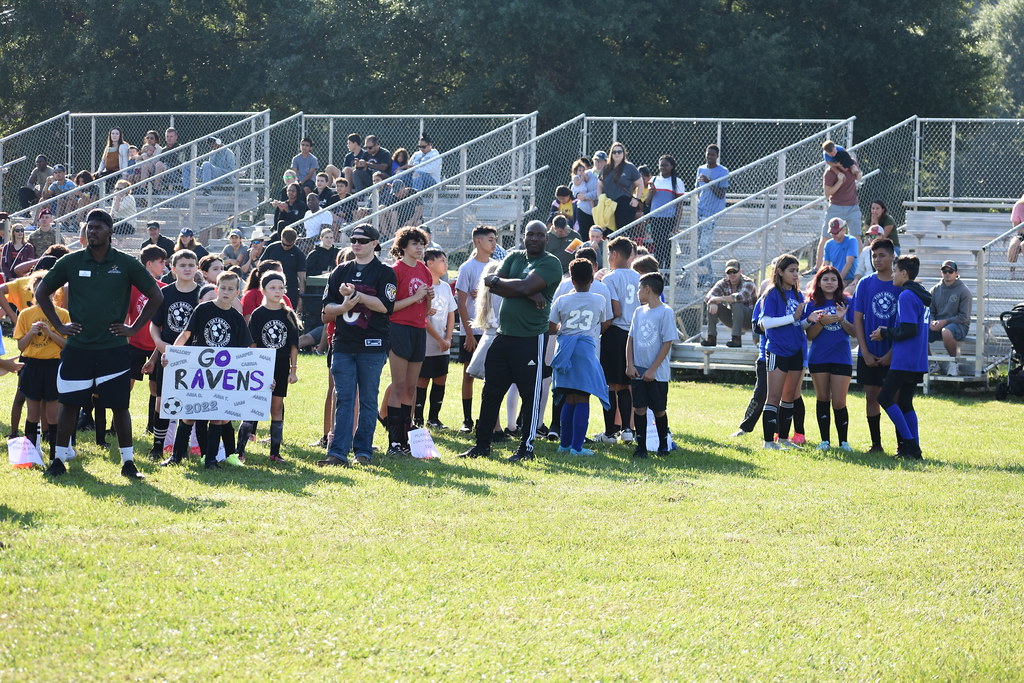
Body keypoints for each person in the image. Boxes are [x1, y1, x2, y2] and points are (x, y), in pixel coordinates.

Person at [36, 209, 164, 480]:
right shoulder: (71, 261)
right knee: (68, 404)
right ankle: (58, 459)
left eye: (97, 228)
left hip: (113, 348)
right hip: (78, 347)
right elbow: (42, 291)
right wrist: (59, 326)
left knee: (119, 406)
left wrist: (133, 328)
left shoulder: (125, 263)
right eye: (88, 228)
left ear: (110, 232)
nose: (91, 232)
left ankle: (128, 463)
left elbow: (155, 295)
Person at [458, 220, 562, 462]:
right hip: (503, 336)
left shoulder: (550, 263)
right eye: (530, 234)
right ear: (524, 236)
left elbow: (512, 284)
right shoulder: (515, 257)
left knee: (530, 395)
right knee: (490, 392)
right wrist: (526, 290)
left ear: (546, 238)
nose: (534, 238)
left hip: (531, 338)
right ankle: (482, 445)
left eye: (539, 235)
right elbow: (491, 283)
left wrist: (520, 286)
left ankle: (526, 448)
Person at [319, 224, 396, 467]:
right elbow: (325, 313)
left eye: (362, 240)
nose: (356, 243)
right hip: (343, 343)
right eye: (353, 239)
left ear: (375, 243)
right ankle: (337, 452)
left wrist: (358, 296)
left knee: (368, 399)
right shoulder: (340, 271)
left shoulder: (385, 272)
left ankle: (363, 451)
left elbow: (386, 306)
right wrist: (343, 307)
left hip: (372, 344)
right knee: (344, 397)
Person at [162, 271, 252, 469]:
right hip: (199, 371)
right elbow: (185, 335)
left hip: (223, 375)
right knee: (189, 414)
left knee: (219, 417)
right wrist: (173, 354)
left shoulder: (236, 318)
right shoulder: (203, 310)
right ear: (217, 289)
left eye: (231, 289)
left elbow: (248, 350)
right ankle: (176, 457)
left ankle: (210, 459)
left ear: (238, 292)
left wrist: (256, 372)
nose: (226, 292)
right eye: (223, 288)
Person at [869, 255, 931, 459]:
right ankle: (915, 450)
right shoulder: (921, 294)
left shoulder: (906, 295)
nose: (893, 274)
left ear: (904, 273)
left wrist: (885, 332)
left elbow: (909, 330)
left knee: (885, 397)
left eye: (895, 271)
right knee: (905, 402)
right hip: (918, 359)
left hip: (905, 358)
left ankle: (911, 445)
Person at [548, 258, 612, 456]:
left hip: (565, 348)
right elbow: (606, 321)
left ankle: (564, 444)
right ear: (592, 279)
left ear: (571, 280)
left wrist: (565, 331)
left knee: (569, 397)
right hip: (586, 348)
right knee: (583, 397)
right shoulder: (599, 299)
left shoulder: (562, 300)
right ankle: (577, 447)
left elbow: (551, 326)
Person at [236, 272, 299, 463]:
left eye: (281, 288)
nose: (277, 291)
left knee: (277, 406)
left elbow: (294, 345)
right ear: (263, 290)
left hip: (280, 364)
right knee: (252, 406)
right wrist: (257, 368)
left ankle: (275, 452)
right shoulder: (258, 314)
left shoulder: (288, 314)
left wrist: (293, 370)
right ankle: (240, 451)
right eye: (272, 287)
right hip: (261, 364)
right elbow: (253, 343)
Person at [149, 249, 200, 460]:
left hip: (196, 356)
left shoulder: (203, 294)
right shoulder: (165, 293)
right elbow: (154, 324)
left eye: (191, 265)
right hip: (168, 356)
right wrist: (159, 344)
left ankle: (186, 446)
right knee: (163, 402)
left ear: (197, 267)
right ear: (173, 268)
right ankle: (158, 447)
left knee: (191, 401)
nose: (187, 269)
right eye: (183, 265)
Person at [385, 227, 433, 454]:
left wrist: (428, 300)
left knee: (411, 389)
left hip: (418, 330)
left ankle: (407, 438)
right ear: (403, 247)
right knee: (399, 385)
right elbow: (389, 307)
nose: (420, 248)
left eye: (422, 244)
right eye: (415, 244)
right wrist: (415, 297)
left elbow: (425, 308)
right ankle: (394, 440)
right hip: (399, 329)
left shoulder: (424, 269)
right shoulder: (396, 271)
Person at [14, 271, 69, 461]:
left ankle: (55, 457)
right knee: (32, 415)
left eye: (48, 291)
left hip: (53, 366)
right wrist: (31, 332)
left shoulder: (62, 314)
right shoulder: (26, 314)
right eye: (39, 291)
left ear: (55, 293)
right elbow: (21, 346)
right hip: (33, 366)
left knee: (53, 416)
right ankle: (31, 456)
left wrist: (50, 332)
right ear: (33, 293)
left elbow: (66, 344)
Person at [758, 254, 811, 450]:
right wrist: (792, 316)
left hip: (796, 350)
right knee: (774, 396)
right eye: (791, 270)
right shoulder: (772, 293)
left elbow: (799, 323)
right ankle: (768, 441)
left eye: (797, 271)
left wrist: (811, 319)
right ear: (780, 272)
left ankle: (783, 439)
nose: (796, 274)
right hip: (778, 350)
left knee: (789, 397)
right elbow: (766, 323)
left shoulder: (798, 295)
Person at [853, 238, 900, 454]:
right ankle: (876, 444)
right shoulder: (865, 283)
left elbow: (905, 324)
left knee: (895, 398)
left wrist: (892, 352)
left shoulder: (901, 284)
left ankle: (903, 444)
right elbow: (857, 319)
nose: (877, 259)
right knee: (871, 396)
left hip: (894, 354)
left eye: (882, 255)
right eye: (874, 256)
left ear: (892, 256)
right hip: (869, 353)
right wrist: (864, 351)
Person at [803, 266, 855, 451]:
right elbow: (810, 336)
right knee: (822, 398)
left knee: (839, 401)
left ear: (839, 283)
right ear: (819, 282)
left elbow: (855, 332)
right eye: (825, 279)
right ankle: (824, 441)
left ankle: (844, 442)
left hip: (841, 357)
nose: (830, 282)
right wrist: (821, 323)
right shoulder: (811, 304)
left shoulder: (847, 302)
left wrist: (841, 320)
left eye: (833, 279)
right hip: (819, 358)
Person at [626, 272, 677, 458]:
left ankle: (663, 445)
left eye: (640, 288)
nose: (638, 292)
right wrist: (629, 364)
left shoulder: (666, 312)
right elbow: (630, 340)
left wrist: (653, 368)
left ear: (647, 289)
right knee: (639, 408)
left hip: (657, 374)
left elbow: (667, 343)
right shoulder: (639, 312)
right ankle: (641, 447)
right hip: (638, 370)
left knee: (659, 409)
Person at [596, 236, 641, 444]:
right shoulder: (639, 277)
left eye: (608, 254)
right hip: (634, 334)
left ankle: (610, 432)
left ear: (614, 254)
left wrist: (601, 330)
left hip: (615, 333)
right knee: (625, 384)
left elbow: (615, 310)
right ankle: (627, 430)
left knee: (610, 385)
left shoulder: (610, 278)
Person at [455, 226, 498, 432]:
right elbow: (461, 302)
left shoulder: (497, 266)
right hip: (473, 331)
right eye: (490, 239)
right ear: (478, 241)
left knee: (492, 377)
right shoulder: (467, 268)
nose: (494, 243)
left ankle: (488, 421)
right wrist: (469, 333)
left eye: (495, 239)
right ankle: (467, 420)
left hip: (492, 329)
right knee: (468, 375)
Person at [126, 245, 167, 442]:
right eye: (161, 262)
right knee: (127, 385)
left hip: (156, 346)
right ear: (149, 264)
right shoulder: (134, 287)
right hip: (134, 344)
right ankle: (116, 426)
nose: (164, 265)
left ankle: (152, 426)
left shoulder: (165, 289)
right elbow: (127, 314)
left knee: (156, 388)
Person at [416, 248, 456, 429]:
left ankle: (434, 418)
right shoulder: (423, 286)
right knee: (422, 380)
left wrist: (447, 338)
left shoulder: (446, 287)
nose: (446, 265)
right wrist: (439, 339)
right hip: (426, 343)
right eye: (443, 261)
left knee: (441, 378)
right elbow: (422, 318)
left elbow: (451, 314)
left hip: (443, 344)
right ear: (429, 263)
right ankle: (417, 419)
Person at [816, 140, 863, 271]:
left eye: (847, 164)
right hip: (835, 207)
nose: (845, 167)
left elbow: (859, 176)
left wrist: (857, 172)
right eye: (841, 165)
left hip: (853, 206)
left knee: (857, 236)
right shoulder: (830, 172)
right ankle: (818, 268)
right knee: (825, 237)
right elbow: (827, 193)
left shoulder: (850, 164)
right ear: (837, 163)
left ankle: (860, 268)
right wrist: (839, 182)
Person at [928, 260, 973, 377]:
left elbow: (964, 317)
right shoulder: (935, 290)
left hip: (959, 325)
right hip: (939, 324)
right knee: (919, 331)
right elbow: (930, 311)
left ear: (956, 273)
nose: (947, 273)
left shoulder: (964, 291)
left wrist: (945, 322)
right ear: (941, 273)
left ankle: (954, 363)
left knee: (946, 332)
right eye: (944, 271)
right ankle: (932, 363)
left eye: (950, 271)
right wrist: (931, 321)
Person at [695, 144, 730, 286]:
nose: (709, 157)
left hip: (712, 214)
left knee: (704, 247)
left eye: (712, 155)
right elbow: (698, 190)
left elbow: (721, 194)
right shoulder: (701, 169)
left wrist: (710, 183)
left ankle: (708, 276)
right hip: (700, 211)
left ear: (717, 156)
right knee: (698, 247)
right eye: (708, 154)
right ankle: (701, 276)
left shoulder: (723, 171)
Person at [701, 258, 757, 348]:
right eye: (729, 272)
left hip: (749, 319)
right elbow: (708, 296)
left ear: (740, 271)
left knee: (736, 304)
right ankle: (711, 338)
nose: (732, 274)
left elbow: (739, 297)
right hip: (733, 318)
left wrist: (718, 299)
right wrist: (713, 302)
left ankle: (736, 339)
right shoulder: (723, 283)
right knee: (711, 305)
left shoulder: (748, 283)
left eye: (734, 271)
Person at [646, 155, 685, 263]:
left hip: (669, 219)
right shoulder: (654, 180)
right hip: (655, 218)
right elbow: (648, 202)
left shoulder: (677, 181)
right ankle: (658, 274)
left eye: (666, 165)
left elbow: (679, 206)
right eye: (661, 165)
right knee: (657, 248)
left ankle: (668, 276)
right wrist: (651, 193)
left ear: (672, 166)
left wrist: (676, 225)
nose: (663, 168)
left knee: (667, 249)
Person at [598, 142, 645, 233]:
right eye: (614, 152)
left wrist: (636, 199)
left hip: (624, 203)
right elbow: (599, 185)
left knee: (623, 232)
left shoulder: (629, 167)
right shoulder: (606, 168)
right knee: (609, 233)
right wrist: (600, 199)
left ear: (624, 153)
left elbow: (640, 184)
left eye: (619, 152)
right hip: (608, 203)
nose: (616, 154)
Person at [262, 228, 307, 314]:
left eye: (289, 245)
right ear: (281, 238)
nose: (285, 247)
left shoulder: (299, 254)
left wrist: (301, 298)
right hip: (270, 287)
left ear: (294, 242)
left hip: (290, 289)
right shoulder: (272, 248)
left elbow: (302, 278)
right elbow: (260, 267)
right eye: (284, 244)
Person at [822, 218, 859, 283]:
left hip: (849, 279)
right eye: (831, 232)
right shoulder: (828, 244)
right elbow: (825, 265)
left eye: (836, 232)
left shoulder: (851, 240)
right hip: (834, 279)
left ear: (844, 229)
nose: (833, 235)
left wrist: (839, 281)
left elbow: (849, 263)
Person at [570, 159, 598, 234]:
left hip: (585, 192)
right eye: (579, 170)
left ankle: (593, 212)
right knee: (584, 231)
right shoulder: (576, 177)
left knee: (591, 200)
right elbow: (576, 183)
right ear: (575, 171)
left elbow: (587, 180)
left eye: (583, 170)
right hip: (580, 191)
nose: (581, 172)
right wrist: (581, 178)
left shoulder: (589, 174)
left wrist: (585, 176)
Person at [1007, 192, 1024, 279]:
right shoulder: (1019, 206)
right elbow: (1016, 227)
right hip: (1022, 234)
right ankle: (1011, 272)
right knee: (1013, 245)